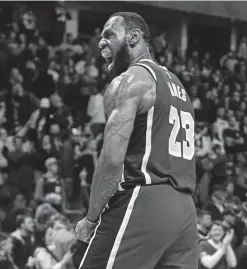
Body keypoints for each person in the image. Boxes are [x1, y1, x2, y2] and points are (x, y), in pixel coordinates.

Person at [75, 12, 198, 268]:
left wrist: (91, 219)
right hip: (186, 213)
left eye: (109, 34)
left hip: (146, 198)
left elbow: (111, 160)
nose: (100, 43)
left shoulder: (130, 80)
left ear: (134, 37)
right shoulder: (179, 87)